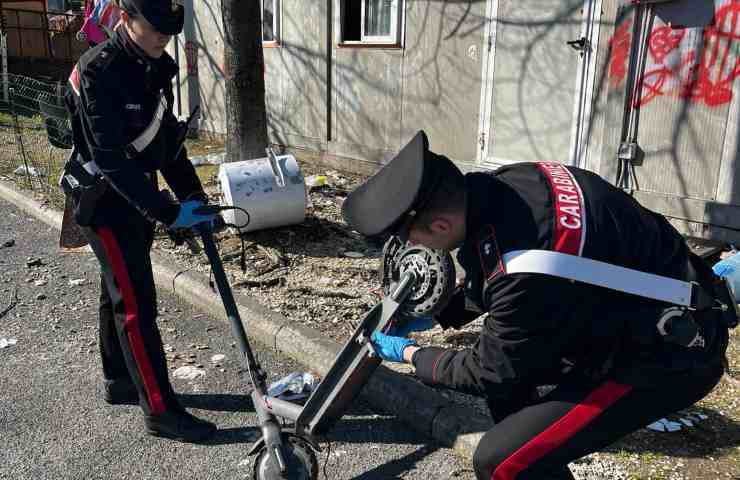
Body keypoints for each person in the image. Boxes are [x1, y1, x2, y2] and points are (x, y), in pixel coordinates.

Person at [341, 131, 733, 479]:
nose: (417, 251)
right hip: (635, 303)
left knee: (501, 462)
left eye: (414, 240)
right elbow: (499, 271)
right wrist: (439, 311)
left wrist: (411, 354)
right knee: (512, 397)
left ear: (440, 227)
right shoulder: (510, 183)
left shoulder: (523, 269)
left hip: (671, 355)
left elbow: (489, 369)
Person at [62, 0, 217, 441]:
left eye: (169, 31)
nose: (162, 38)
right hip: (104, 203)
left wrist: (194, 198)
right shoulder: (98, 70)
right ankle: (160, 409)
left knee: (116, 290)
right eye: (154, 28)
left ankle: (119, 380)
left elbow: (166, 142)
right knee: (135, 305)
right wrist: (167, 211)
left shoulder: (156, 66)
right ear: (126, 18)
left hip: (137, 196)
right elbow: (109, 158)